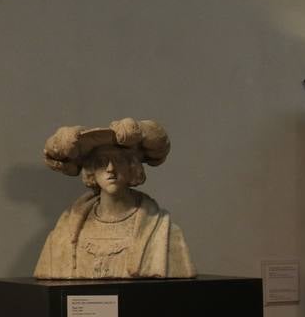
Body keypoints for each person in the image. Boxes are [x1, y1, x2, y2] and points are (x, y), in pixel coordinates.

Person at [35, 118, 195, 279]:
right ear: (91, 170)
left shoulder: (163, 230)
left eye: (119, 161)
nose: (110, 169)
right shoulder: (64, 233)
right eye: (101, 162)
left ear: (132, 167)